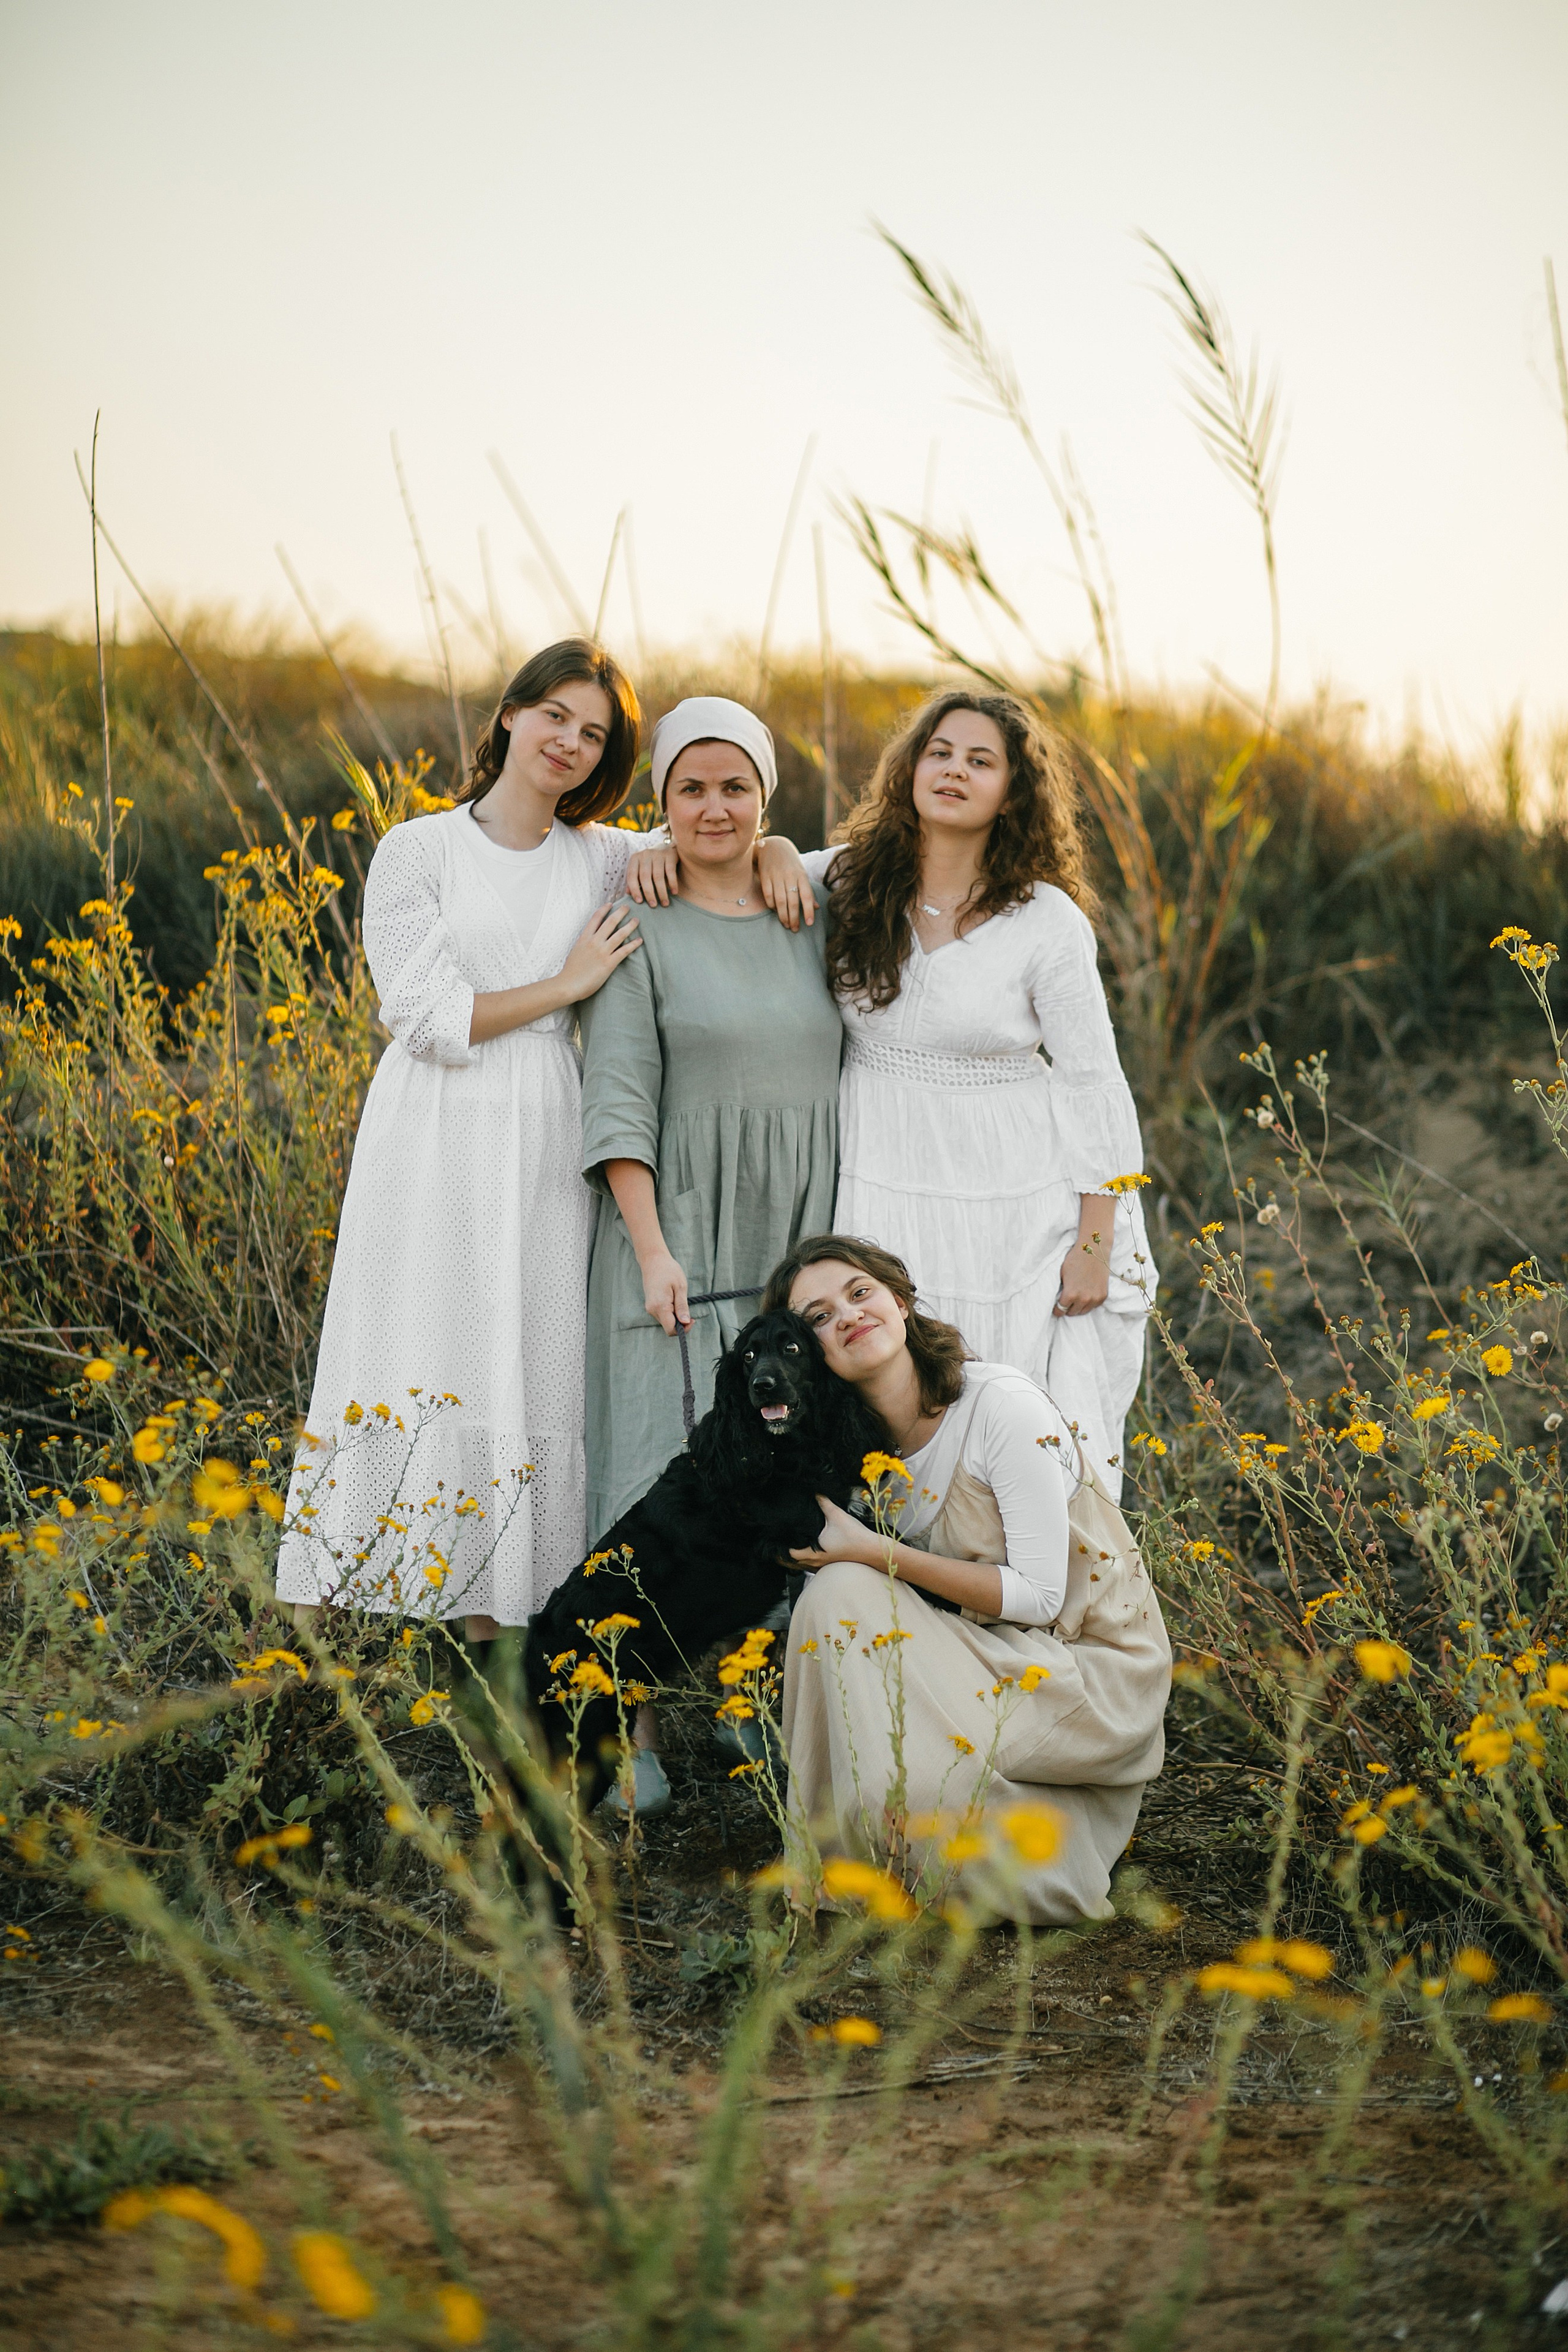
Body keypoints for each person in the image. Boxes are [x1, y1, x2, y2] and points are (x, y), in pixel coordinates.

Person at [578, 696, 842, 1807]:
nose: (715, 807)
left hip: (791, 1230)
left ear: (768, 799)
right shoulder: (639, 913)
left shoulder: (812, 902)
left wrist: (784, 849)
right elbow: (620, 1096)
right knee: (652, 1466)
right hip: (676, 1233)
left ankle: (749, 1697)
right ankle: (628, 1732)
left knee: (782, 1471)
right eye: (690, 787)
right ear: (659, 804)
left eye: (738, 787)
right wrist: (650, 1250)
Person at [796, 692, 1155, 1499]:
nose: (954, 769)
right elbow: (744, 858)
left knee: (1014, 1391)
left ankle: (1028, 1581)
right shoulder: (848, 879)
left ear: (1012, 793)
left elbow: (1095, 1079)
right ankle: (914, 1583)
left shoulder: (1046, 921)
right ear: (912, 768)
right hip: (886, 1172)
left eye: (980, 760)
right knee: (892, 1382)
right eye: (941, 751)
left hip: (1013, 1191)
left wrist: (1096, 1241)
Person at [767, 1235, 1170, 1926]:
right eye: (816, 1317)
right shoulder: (853, 1449)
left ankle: (1036, 1853)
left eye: (859, 1294)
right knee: (830, 1595)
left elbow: (1042, 1599)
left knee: (853, 1582)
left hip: (1078, 1669)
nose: (846, 1317)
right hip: (975, 1653)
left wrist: (871, 1552)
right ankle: (829, 1858)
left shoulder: (998, 1407)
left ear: (898, 1300)